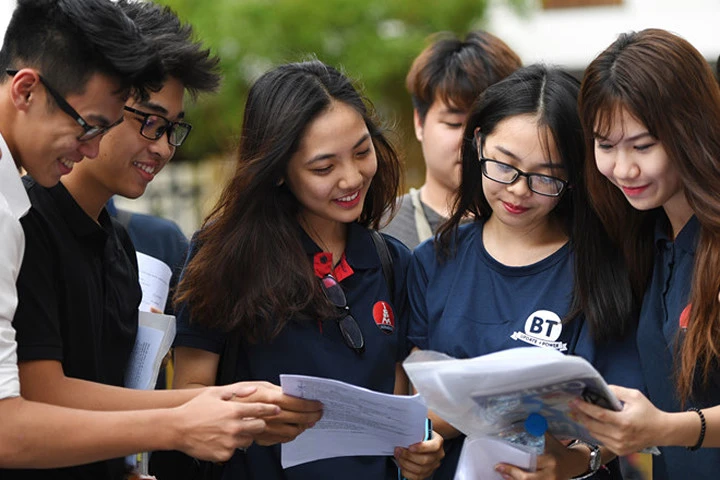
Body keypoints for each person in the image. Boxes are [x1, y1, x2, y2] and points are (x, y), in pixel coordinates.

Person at [3, 1, 318, 478]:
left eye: (172, 128)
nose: (163, 147)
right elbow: (37, 396)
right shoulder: (22, 222)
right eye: (146, 121)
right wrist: (184, 418)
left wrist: (223, 404)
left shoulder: (120, 248)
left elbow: (105, 404)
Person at [172, 59, 444, 480]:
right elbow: (187, 394)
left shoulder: (392, 262)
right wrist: (253, 414)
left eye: (361, 152)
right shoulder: (225, 256)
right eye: (324, 167)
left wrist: (420, 448)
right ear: (278, 170)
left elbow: (401, 401)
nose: (352, 178)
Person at [406, 64, 644, 479]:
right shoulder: (433, 261)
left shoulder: (603, 268)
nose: (519, 190)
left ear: (574, 177)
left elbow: (622, 413)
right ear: (478, 143)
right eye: (505, 166)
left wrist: (569, 462)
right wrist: (419, 443)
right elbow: (412, 398)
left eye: (546, 178)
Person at [569, 28, 720, 480]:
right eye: (605, 146)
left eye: (642, 145)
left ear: (690, 131)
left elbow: (670, 421)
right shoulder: (646, 235)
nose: (623, 168)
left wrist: (668, 428)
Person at [381, 30, 521, 249]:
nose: (471, 141)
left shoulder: (534, 226)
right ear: (419, 122)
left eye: (487, 125)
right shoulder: (380, 230)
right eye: (454, 123)